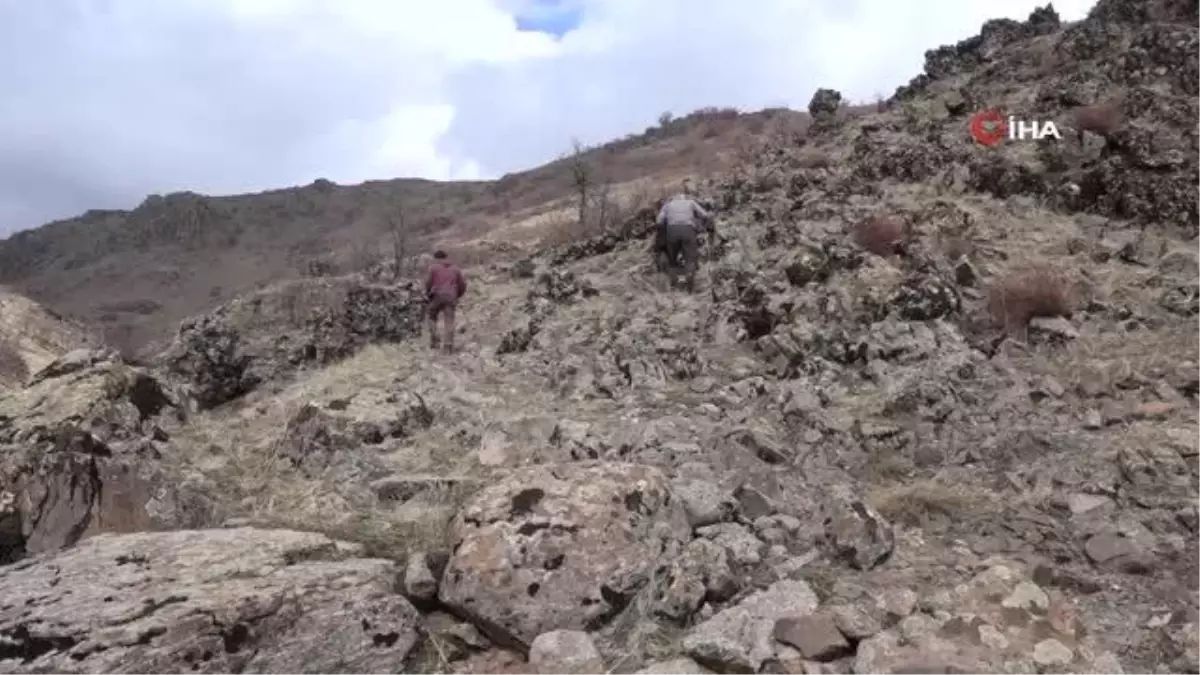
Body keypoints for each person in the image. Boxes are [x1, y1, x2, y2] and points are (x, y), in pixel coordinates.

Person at [655, 182, 712, 292]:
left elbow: (659, 221)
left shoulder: (668, 204)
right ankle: (689, 281)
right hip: (688, 230)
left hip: (672, 231)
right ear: (684, 198)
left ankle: (673, 283)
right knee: (690, 259)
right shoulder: (690, 202)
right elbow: (704, 214)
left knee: (672, 259)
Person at [424, 250, 467, 353]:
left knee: (431, 316)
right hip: (451, 297)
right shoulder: (456, 269)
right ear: (446, 257)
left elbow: (428, 283)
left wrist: (428, 294)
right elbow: (462, 285)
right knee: (449, 321)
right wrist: (457, 295)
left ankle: (435, 339)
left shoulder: (433, 268)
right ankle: (448, 346)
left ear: (436, 258)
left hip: (437, 296)